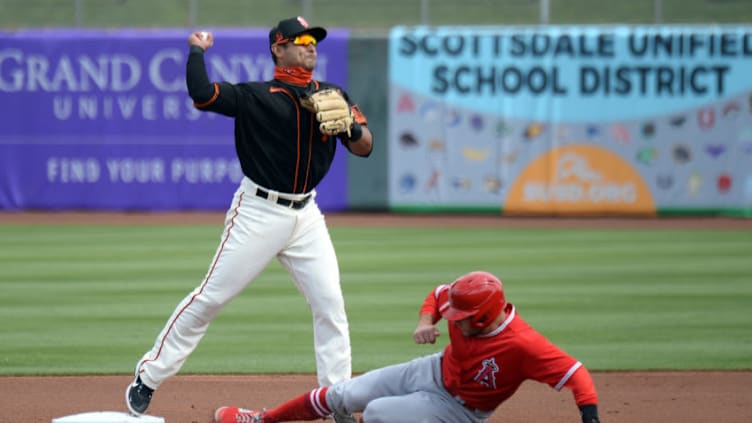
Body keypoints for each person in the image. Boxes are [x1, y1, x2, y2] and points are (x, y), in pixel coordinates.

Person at [125, 16, 373, 423]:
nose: (311, 46)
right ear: (278, 48)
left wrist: (349, 127)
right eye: (301, 40)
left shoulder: (333, 94)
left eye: (314, 40)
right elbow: (202, 95)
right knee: (211, 298)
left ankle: (337, 403)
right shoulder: (257, 96)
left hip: (307, 215)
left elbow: (366, 147)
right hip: (258, 212)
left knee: (331, 307)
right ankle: (148, 376)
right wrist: (196, 51)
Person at [213, 271, 602, 423]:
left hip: (460, 410)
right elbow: (436, 295)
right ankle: (262, 420)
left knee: (379, 413)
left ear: (484, 316)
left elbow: (577, 375)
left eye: (459, 315)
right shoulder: (466, 305)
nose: (451, 317)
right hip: (432, 370)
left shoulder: (524, 345)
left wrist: (591, 419)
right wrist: (424, 321)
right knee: (345, 394)